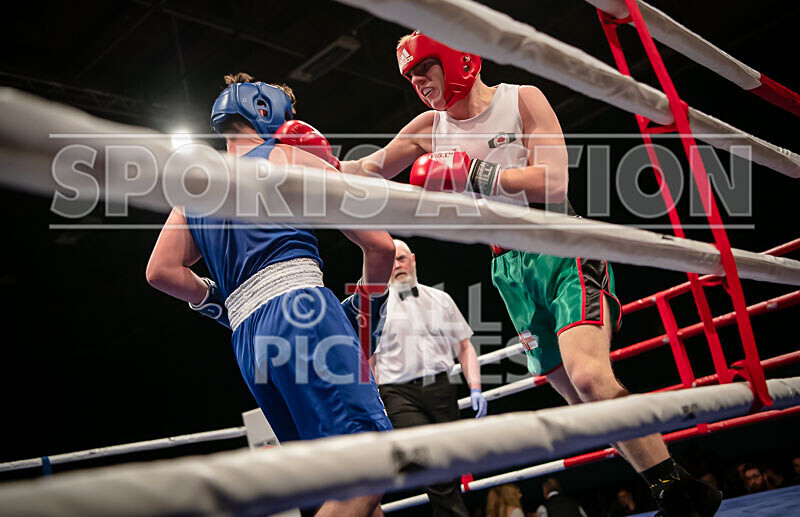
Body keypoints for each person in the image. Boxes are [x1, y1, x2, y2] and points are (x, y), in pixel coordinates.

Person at [340, 32, 721, 516]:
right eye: (410, 75)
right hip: (509, 267)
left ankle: (676, 493)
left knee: (590, 377)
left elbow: (554, 181)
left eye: (424, 68)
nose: (417, 81)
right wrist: (305, 158)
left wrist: (472, 171)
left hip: (560, 244)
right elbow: (367, 169)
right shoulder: (427, 128)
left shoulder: (521, 100)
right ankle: (680, 490)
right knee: (580, 401)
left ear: (459, 59)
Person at [146, 73, 394, 517]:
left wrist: (215, 300)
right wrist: (366, 310)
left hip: (248, 342)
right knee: (370, 465)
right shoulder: (287, 156)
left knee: (335, 486)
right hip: (304, 314)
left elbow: (160, 271)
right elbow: (381, 246)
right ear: (267, 111)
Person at [370, 239, 487, 517]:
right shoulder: (374, 308)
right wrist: (377, 406)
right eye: (391, 260)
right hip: (397, 394)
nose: (397, 265)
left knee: (449, 461)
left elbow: (464, 347)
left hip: (441, 387)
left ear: (413, 259)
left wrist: (475, 388)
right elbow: (369, 362)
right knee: (429, 462)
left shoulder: (440, 299)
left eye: (401, 258)